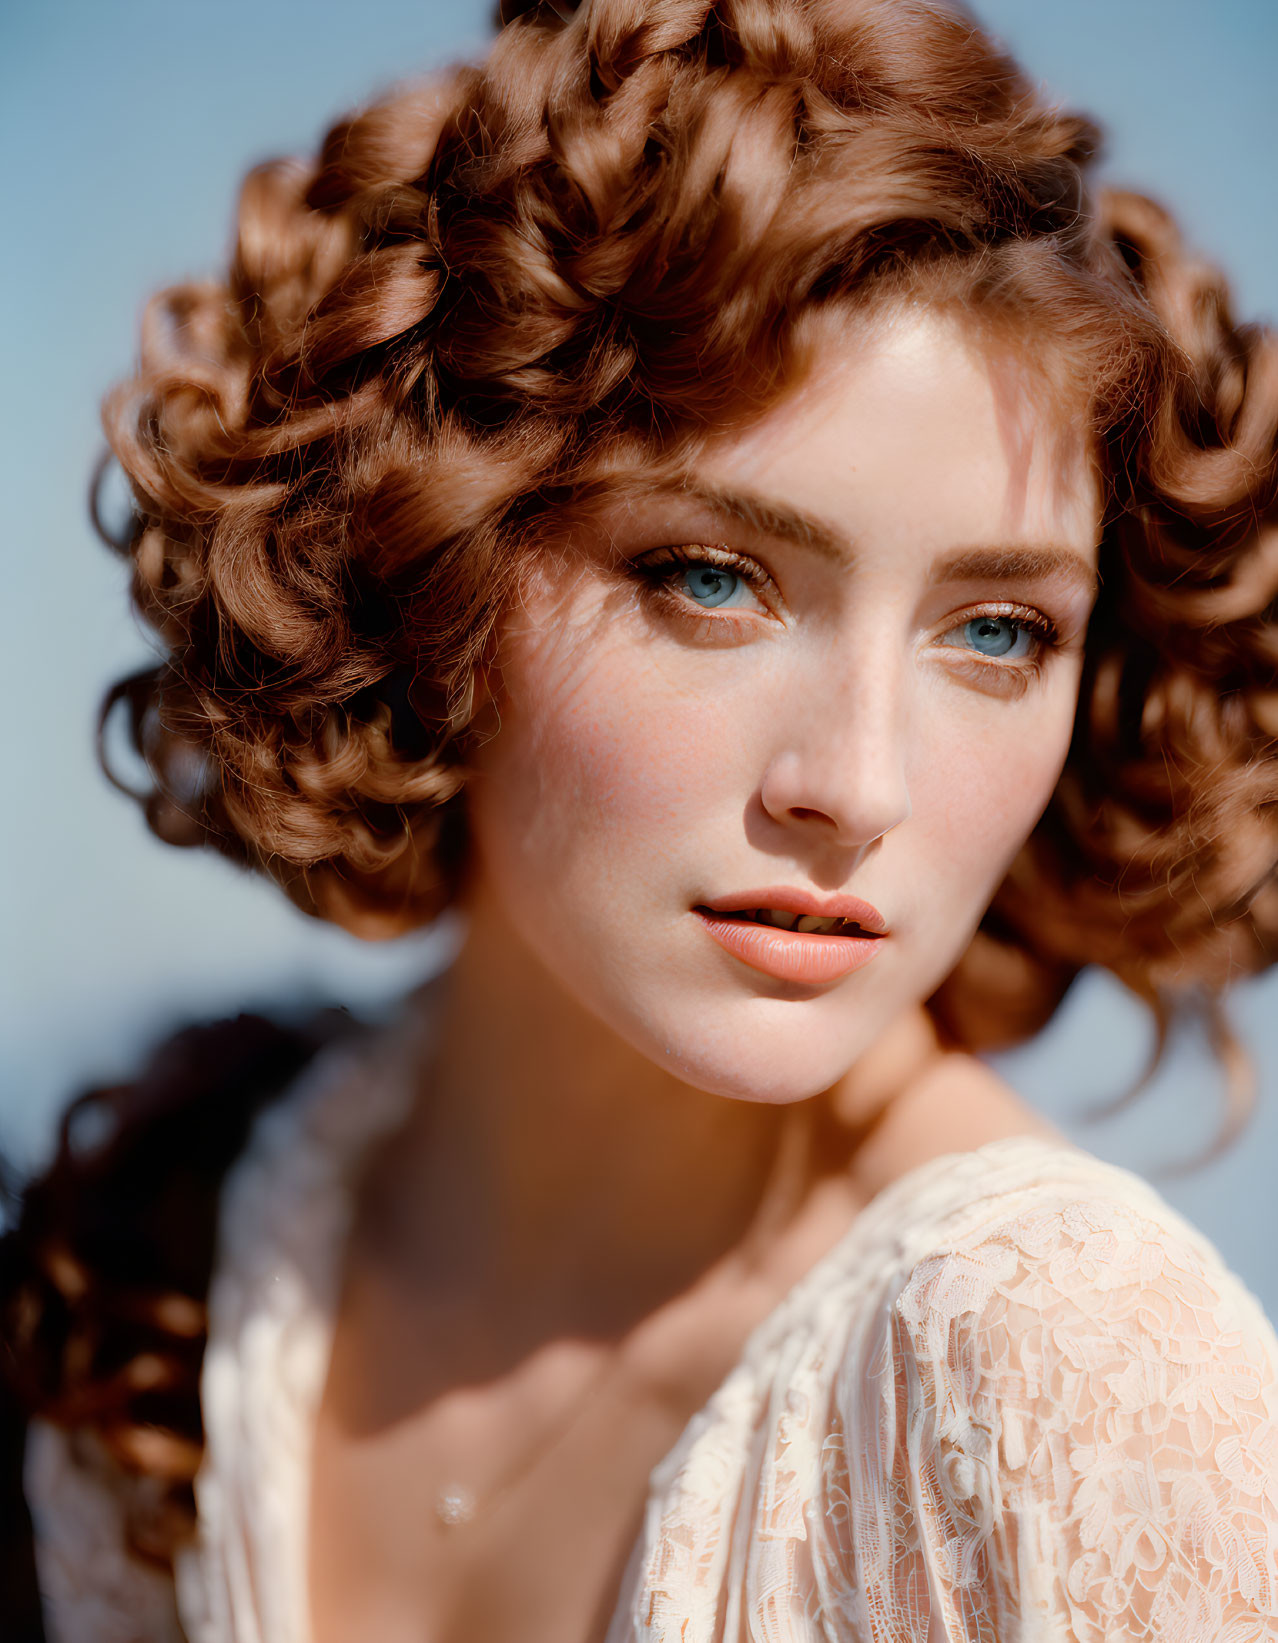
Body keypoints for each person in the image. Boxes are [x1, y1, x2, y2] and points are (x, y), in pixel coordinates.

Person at [4, 0, 1277, 1637]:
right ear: (429, 565)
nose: (859, 784)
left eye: (994, 631)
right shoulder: (176, 1250)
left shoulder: (1065, 1386)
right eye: (712, 580)